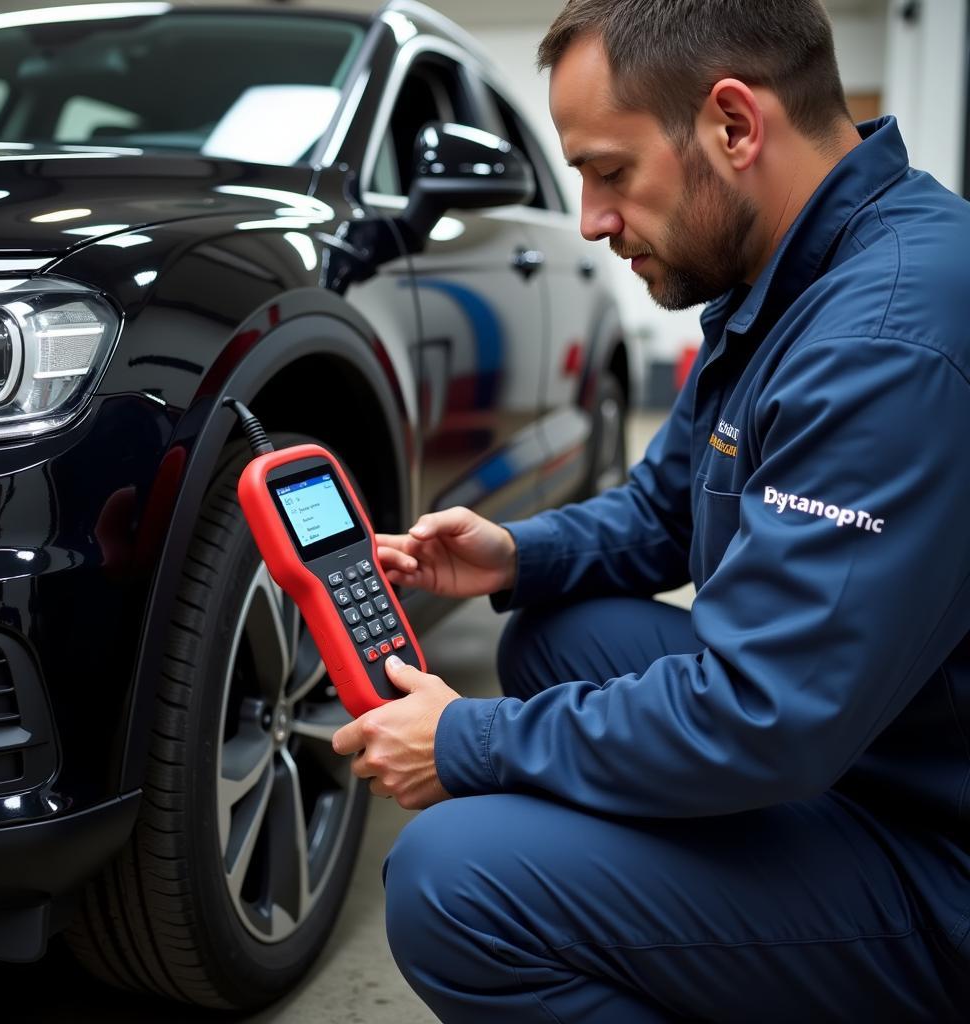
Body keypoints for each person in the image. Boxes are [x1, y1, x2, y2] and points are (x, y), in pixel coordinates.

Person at [331, 1, 970, 1019]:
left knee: (454, 881)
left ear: (731, 125)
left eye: (608, 170)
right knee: (558, 630)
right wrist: (513, 554)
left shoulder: (883, 340)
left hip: (935, 856)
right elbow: (666, 510)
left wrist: (467, 741)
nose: (586, 219)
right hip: (864, 744)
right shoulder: (782, 273)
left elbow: (766, 711)